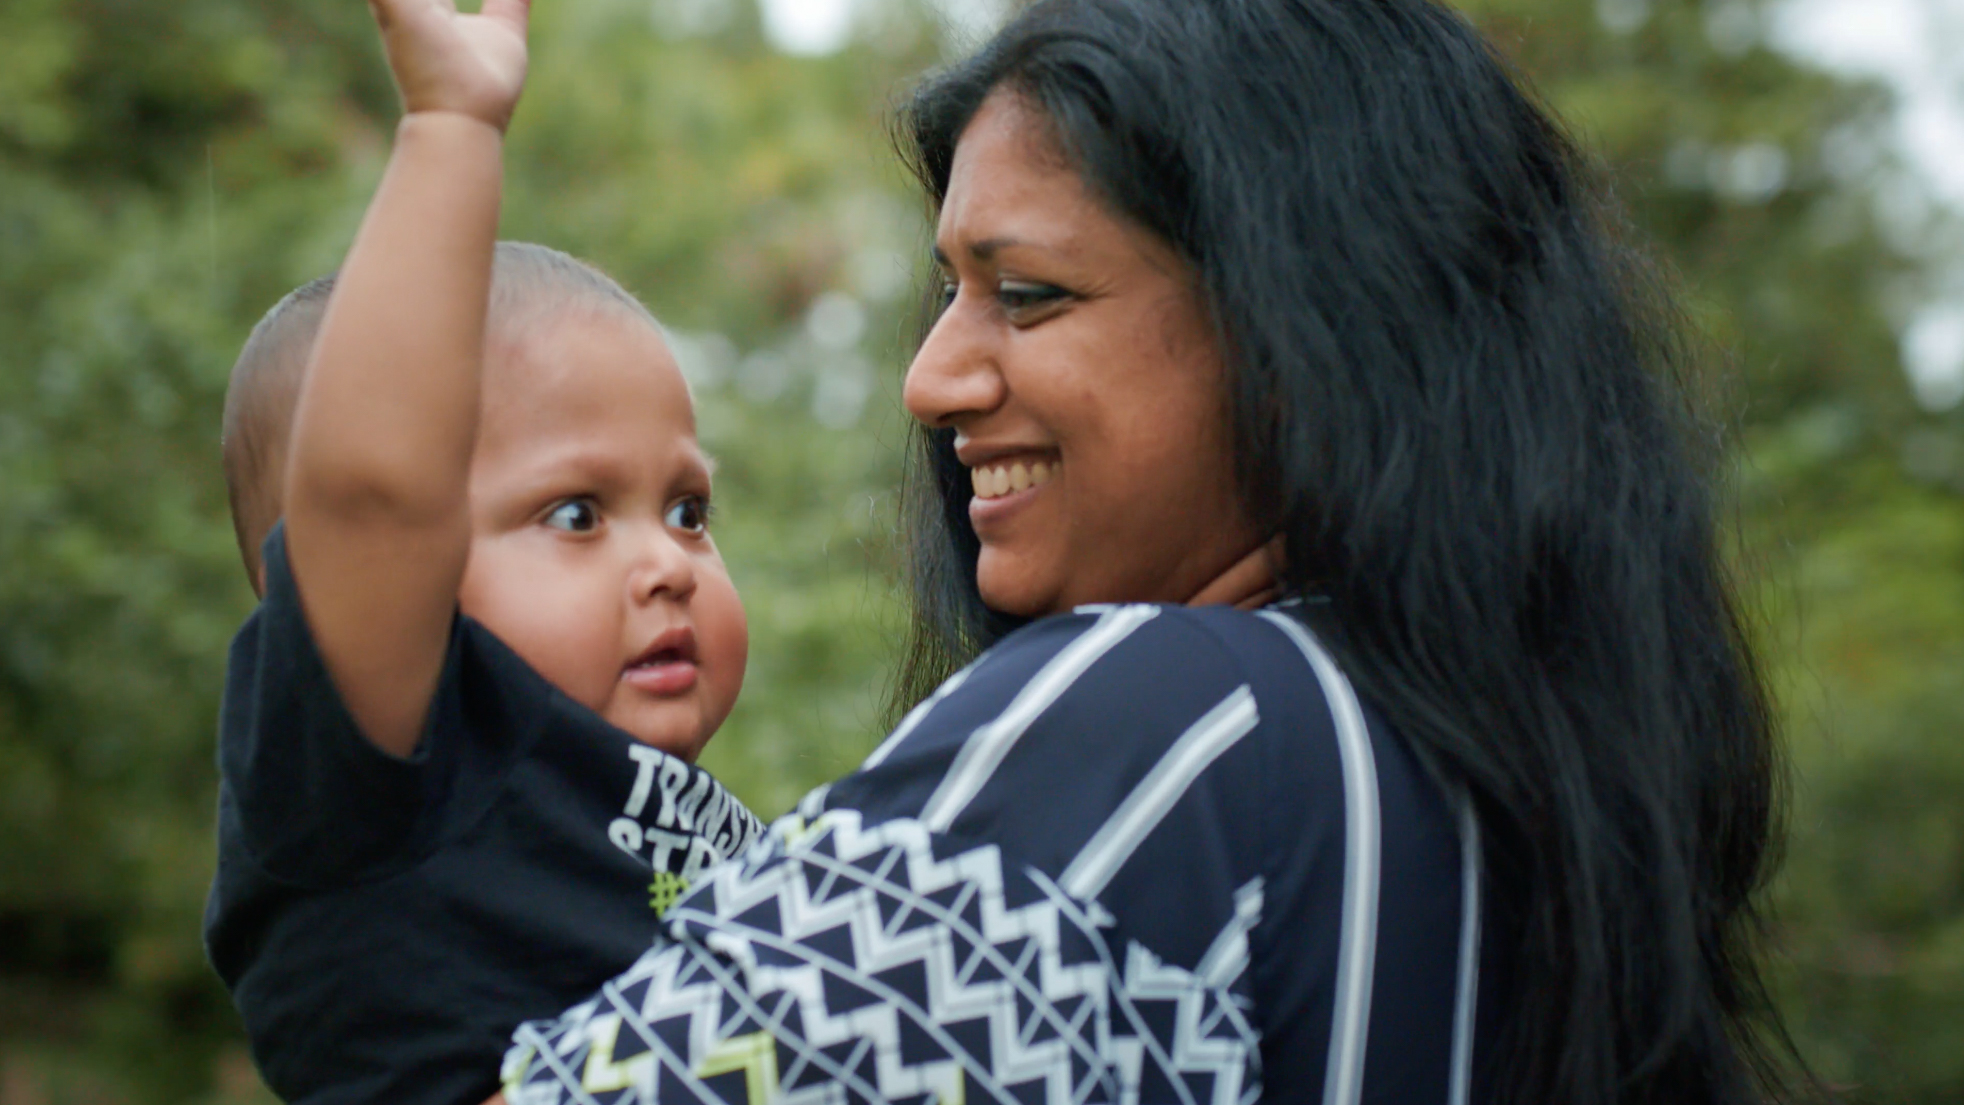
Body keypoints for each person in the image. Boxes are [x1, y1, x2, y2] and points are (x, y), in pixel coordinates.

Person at [497, 0, 1806, 1103]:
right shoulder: (1512, 825)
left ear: (1308, 331)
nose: (932, 377)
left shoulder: (1171, 725)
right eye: (947, 293)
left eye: (1031, 294)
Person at [202, 3, 764, 1102]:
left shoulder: (630, 799)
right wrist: (453, 125)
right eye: (574, 515)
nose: (669, 563)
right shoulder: (380, 776)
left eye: (689, 509)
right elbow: (373, 497)